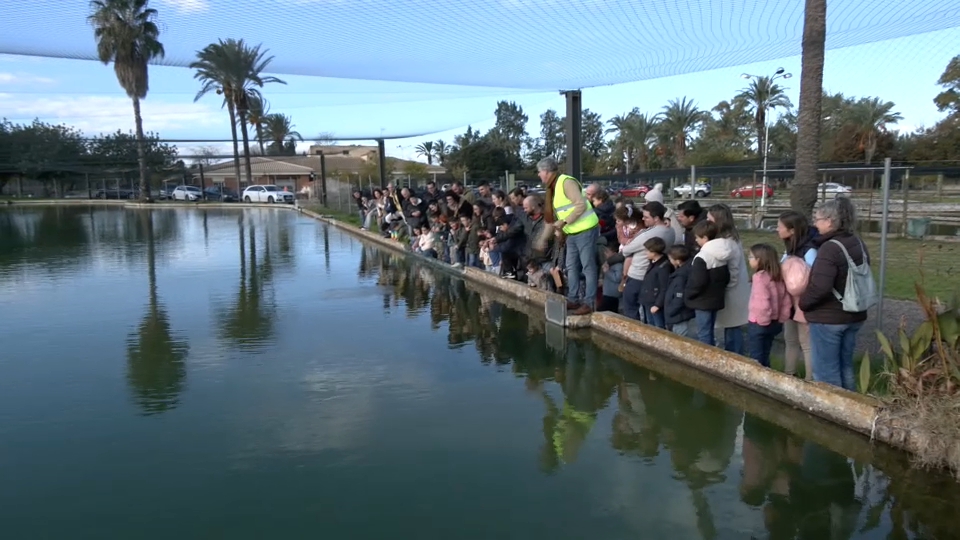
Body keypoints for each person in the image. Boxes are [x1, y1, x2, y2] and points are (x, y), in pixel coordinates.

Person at [799, 198, 870, 391]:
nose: (815, 223)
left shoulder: (830, 248)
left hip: (829, 319)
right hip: (853, 313)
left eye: (818, 219)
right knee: (844, 366)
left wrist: (803, 304)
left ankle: (832, 414)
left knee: (826, 372)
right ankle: (853, 408)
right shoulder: (857, 242)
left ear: (830, 221)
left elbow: (820, 286)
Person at [537, 157, 600, 316]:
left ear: (546, 171)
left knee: (587, 267)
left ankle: (588, 302)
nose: (539, 175)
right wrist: (548, 236)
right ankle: (573, 298)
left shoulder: (565, 182)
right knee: (571, 267)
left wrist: (564, 222)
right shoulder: (553, 187)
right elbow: (555, 217)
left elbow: (581, 204)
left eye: (539, 172)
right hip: (571, 231)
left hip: (585, 229)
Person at [616, 201, 675, 321]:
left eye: (646, 217)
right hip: (652, 274)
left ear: (657, 218)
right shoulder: (670, 231)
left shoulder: (648, 235)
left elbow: (626, 250)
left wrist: (629, 244)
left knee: (631, 308)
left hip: (637, 275)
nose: (643, 219)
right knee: (648, 311)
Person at [778, 210, 818, 379]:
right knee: (790, 339)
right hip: (789, 303)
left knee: (806, 343)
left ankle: (810, 380)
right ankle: (789, 374)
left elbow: (812, 278)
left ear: (792, 230)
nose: (777, 229)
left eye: (780, 226)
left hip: (803, 304)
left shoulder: (809, 251)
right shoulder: (789, 249)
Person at [707, 204, 751, 355]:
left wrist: (725, 287)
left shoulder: (728, 242)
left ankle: (735, 357)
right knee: (732, 326)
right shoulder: (730, 237)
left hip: (732, 290)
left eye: (709, 218)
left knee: (733, 327)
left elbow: (733, 270)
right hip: (735, 288)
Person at [684, 220, 731, 347]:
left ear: (705, 238)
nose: (695, 240)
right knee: (710, 329)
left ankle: (705, 357)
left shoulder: (702, 257)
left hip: (702, 301)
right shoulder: (722, 255)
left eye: (697, 238)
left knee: (703, 332)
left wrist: (688, 294)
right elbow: (727, 277)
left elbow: (697, 282)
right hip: (716, 298)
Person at [747, 244, 792, 367]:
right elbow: (786, 300)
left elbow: (762, 304)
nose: (749, 259)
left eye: (751, 257)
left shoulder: (759, 277)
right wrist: (781, 319)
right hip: (775, 322)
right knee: (765, 354)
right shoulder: (777, 277)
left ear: (760, 260)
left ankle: (755, 383)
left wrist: (762, 321)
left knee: (756, 359)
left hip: (759, 323)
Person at [639, 236, 672, 329]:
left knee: (658, 326)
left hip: (654, 302)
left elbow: (664, 287)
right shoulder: (653, 263)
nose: (645, 253)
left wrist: (658, 305)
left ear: (654, 252)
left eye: (647, 251)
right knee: (650, 324)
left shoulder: (663, 267)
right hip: (648, 300)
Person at [664, 245, 696, 338]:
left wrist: (670, 311)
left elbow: (679, 298)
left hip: (678, 315)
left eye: (670, 259)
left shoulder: (681, 277)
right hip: (678, 314)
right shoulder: (686, 270)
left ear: (678, 261)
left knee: (679, 338)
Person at [598, 243, 623, 313]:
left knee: (602, 312)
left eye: (607, 252)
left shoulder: (618, 264)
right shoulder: (609, 263)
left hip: (612, 294)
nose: (605, 254)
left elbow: (617, 278)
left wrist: (607, 271)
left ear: (614, 253)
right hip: (607, 292)